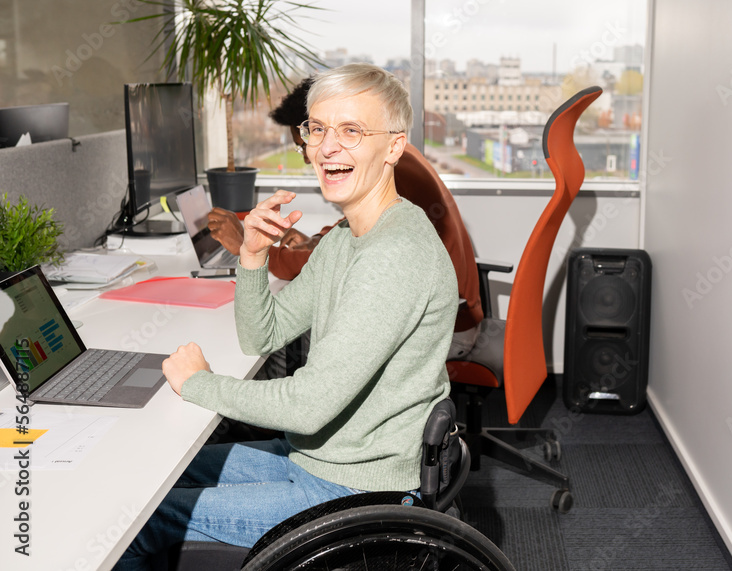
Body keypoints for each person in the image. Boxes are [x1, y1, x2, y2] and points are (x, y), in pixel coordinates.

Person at [114, 64, 459, 570]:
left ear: (393, 148)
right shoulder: (346, 238)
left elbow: (307, 407)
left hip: (359, 489)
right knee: (155, 471)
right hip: (317, 459)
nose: (326, 147)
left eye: (351, 130)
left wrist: (200, 385)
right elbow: (263, 336)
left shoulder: (394, 254)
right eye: (316, 128)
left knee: (139, 517)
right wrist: (252, 255)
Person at [207, 76, 483, 335]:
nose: (311, 155)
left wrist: (250, 248)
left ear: (392, 145)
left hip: (450, 328)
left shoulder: (392, 171)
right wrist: (319, 241)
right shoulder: (393, 159)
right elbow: (357, 229)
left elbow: (311, 266)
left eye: (349, 131)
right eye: (313, 134)